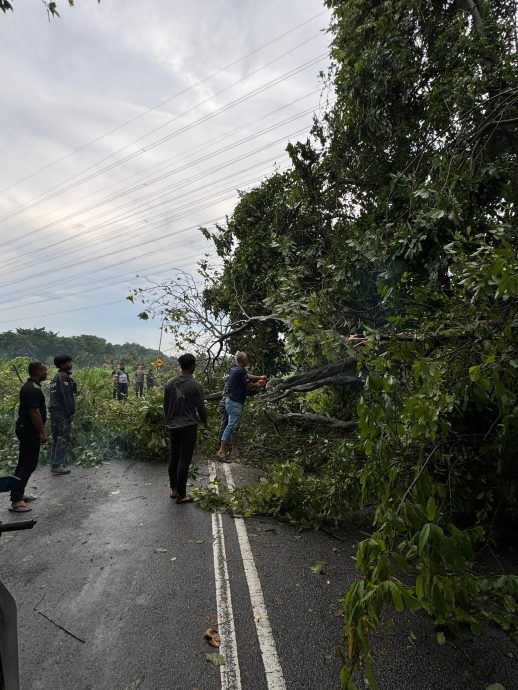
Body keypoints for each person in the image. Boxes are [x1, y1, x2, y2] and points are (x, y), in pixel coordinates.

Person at [163, 353, 208, 504]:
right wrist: (205, 422)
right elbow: (201, 407)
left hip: (173, 426)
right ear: (192, 366)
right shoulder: (195, 385)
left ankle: (173, 489)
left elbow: (165, 406)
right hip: (188, 426)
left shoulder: (169, 383)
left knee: (174, 456)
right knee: (184, 459)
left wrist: (168, 422)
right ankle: (182, 495)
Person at [9, 361, 48, 513]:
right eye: (45, 370)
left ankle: (18, 493)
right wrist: (41, 432)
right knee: (28, 464)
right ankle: (16, 500)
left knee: (23, 463)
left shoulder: (34, 386)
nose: (46, 372)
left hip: (26, 430)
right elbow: (34, 412)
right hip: (29, 431)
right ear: (38, 371)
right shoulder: (32, 389)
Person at [216, 351, 266, 462]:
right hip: (233, 403)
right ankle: (221, 451)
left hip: (229, 401)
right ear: (243, 360)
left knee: (229, 426)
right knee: (230, 427)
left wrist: (258, 377)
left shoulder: (234, 369)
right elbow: (248, 386)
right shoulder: (240, 371)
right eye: (247, 359)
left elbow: (246, 376)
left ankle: (228, 449)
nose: (248, 360)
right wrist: (258, 385)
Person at [49, 354, 77, 475]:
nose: (71, 364)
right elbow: (66, 398)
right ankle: (57, 465)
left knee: (56, 437)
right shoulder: (63, 377)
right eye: (68, 362)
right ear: (62, 365)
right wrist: (70, 413)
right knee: (63, 438)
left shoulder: (56, 377)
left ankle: (54, 463)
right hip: (62, 412)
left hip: (55, 412)